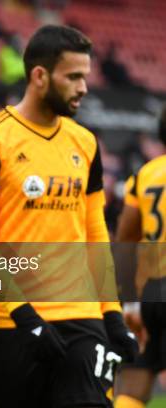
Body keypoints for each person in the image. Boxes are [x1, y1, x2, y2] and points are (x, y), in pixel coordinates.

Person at [0, 25, 138, 407]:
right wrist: (25, 317)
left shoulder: (85, 143)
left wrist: (113, 315)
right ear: (39, 76)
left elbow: (95, 235)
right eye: (73, 76)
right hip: (7, 322)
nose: (84, 87)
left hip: (80, 318)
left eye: (85, 77)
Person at [113, 105, 166, 408]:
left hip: (152, 292)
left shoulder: (147, 174)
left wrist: (130, 302)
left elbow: (126, 241)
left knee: (134, 383)